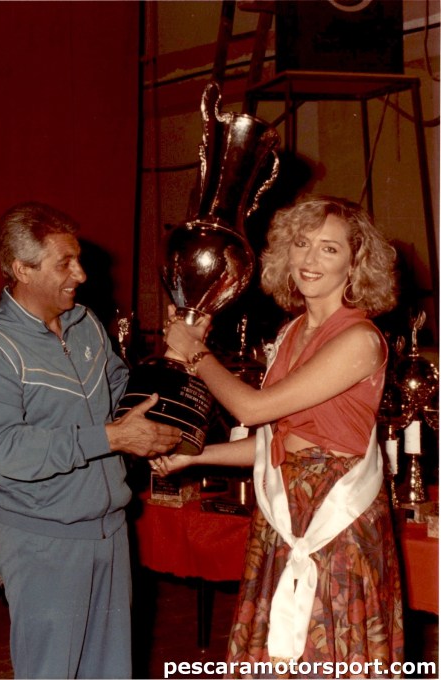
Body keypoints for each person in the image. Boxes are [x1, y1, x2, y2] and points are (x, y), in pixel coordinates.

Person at [158, 196, 403, 671]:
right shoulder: (292, 332)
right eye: (301, 243)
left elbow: (252, 408)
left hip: (335, 518)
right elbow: (273, 441)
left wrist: (195, 352)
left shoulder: (360, 339)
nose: (310, 259)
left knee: (326, 643)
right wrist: (195, 455)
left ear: (355, 263)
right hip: (283, 511)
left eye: (329, 249)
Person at [0, 201, 182, 678]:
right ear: (22, 269)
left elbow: (124, 396)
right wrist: (112, 438)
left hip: (111, 532)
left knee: (112, 671)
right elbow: (10, 451)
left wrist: (177, 357)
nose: (80, 274)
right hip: (44, 542)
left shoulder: (86, 324)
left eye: (77, 260)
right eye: (65, 263)